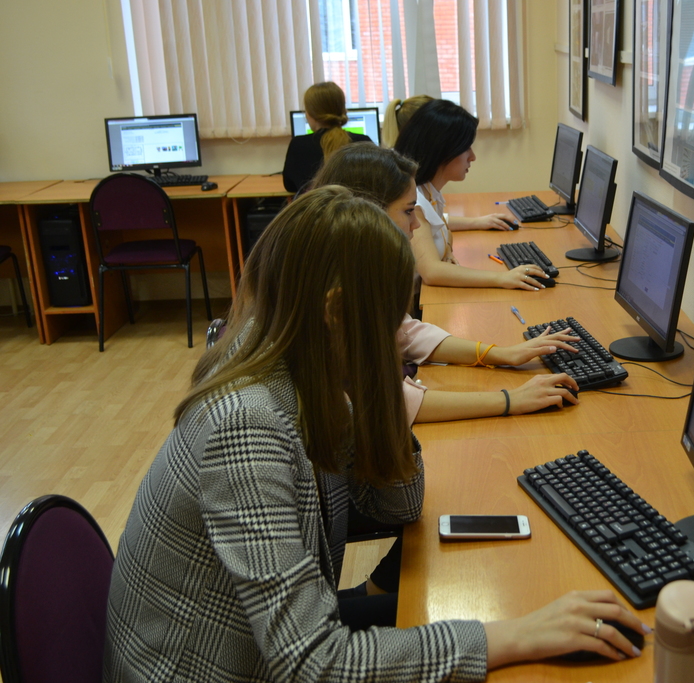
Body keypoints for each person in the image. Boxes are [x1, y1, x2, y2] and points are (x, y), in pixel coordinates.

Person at [103, 186, 648, 682]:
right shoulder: (246, 424)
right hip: (216, 667)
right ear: (338, 312)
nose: (399, 333)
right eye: (391, 317)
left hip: (268, 641)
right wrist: (513, 638)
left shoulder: (307, 369)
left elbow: (397, 504)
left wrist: (378, 383)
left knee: (496, 614)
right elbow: (314, 664)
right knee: (505, 638)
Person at [311, 142, 580, 424]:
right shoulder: (336, 291)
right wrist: (509, 399)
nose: (416, 224)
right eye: (408, 211)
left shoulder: (344, 261)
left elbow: (404, 332)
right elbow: (383, 401)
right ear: (368, 211)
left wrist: (501, 354)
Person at [393, 99, 550, 291]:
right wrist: (502, 278)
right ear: (443, 150)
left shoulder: (428, 191)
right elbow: (432, 272)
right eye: (466, 148)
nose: (472, 157)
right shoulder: (414, 201)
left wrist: (475, 224)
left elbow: (435, 224)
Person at [282, 81, 373, 193]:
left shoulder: (298, 145)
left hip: (315, 205)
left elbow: (290, 186)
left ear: (309, 114)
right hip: (357, 205)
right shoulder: (364, 142)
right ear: (342, 109)